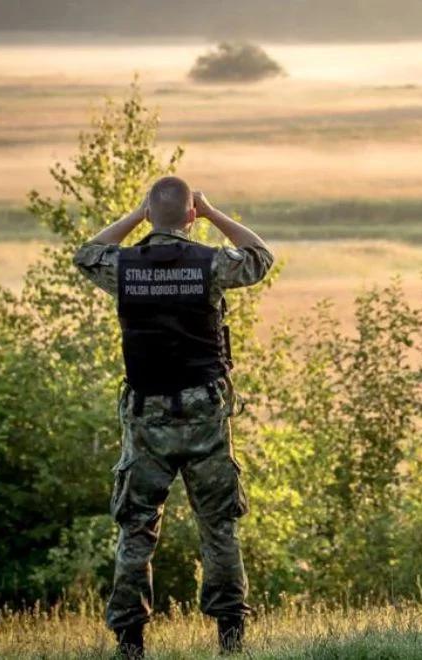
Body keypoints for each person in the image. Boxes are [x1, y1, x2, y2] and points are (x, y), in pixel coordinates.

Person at [73, 176, 274, 658]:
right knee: (219, 526)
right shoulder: (209, 265)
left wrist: (136, 216)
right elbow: (260, 257)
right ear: (189, 215)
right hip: (205, 413)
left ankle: (130, 640)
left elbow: (86, 254)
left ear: (150, 212)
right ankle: (231, 635)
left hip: (146, 418)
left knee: (136, 529)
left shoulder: (122, 267)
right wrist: (211, 211)